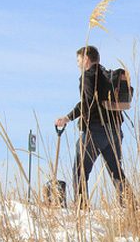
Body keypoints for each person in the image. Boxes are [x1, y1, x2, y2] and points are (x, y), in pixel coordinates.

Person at [55, 45, 130, 208]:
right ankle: (130, 206)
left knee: (79, 171)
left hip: (94, 131)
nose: (78, 65)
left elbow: (86, 104)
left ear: (86, 59)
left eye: (79, 60)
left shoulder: (88, 76)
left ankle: (81, 209)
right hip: (114, 131)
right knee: (116, 171)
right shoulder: (107, 75)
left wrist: (68, 118)